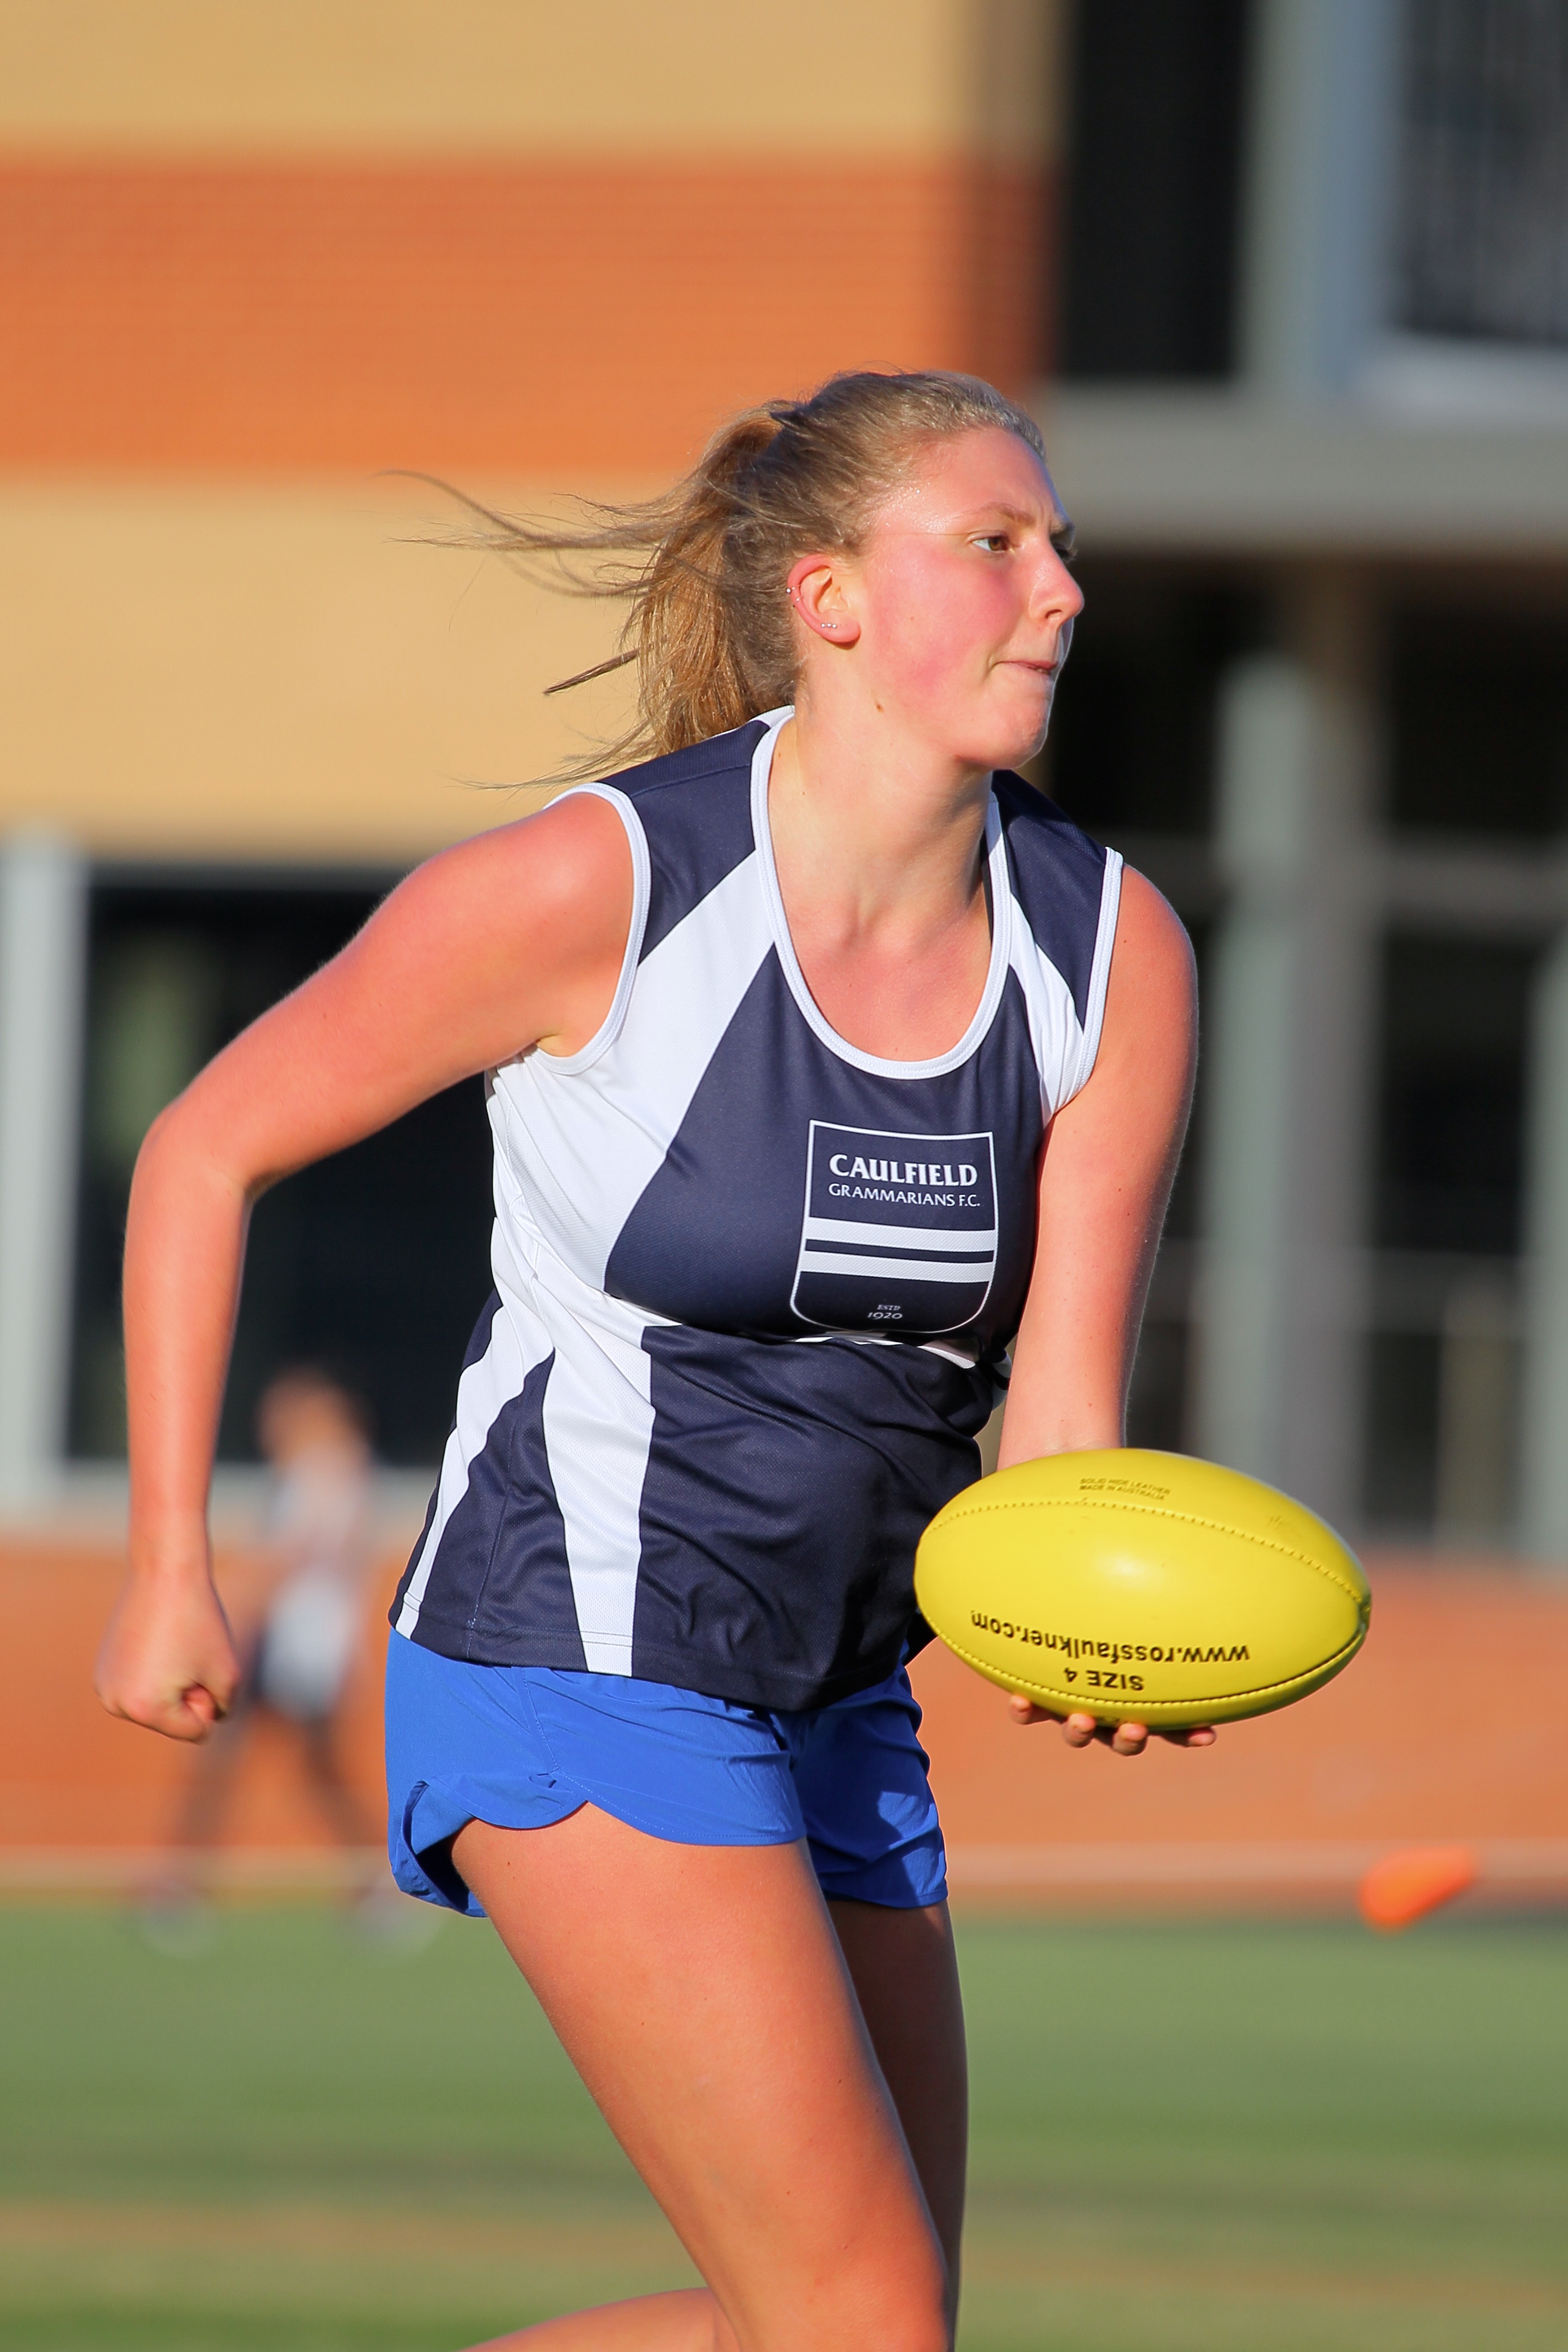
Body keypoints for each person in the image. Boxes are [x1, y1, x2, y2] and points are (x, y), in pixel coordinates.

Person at [96, 370, 1202, 2352]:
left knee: (863, 2330)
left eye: (1057, 549)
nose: (1059, 591)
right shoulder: (599, 887)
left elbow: (1056, 1410)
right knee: (855, 2323)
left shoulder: (1111, 952)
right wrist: (170, 1557)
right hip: (568, 1646)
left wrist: (1090, 1621)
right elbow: (202, 1149)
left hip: (837, 1687)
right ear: (829, 596)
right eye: (994, 544)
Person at [139, 1369, 381, 1941]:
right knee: (255, 1763)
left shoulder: (328, 1472)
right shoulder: (318, 1473)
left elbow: (296, 1555)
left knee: (293, 1768)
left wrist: (228, 1603)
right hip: (290, 1644)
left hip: (295, 1646)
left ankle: (376, 1881)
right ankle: (183, 1883)